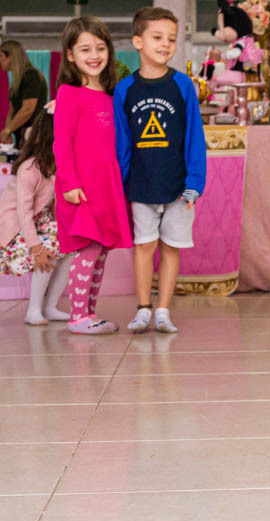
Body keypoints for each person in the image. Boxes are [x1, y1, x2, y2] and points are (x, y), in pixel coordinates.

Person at [115, 7, 206, 333]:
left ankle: (163, 310)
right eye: (157, 37)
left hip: (179, 186)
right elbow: (122, 141)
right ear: (137, 41)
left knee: (170, 248)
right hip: (140, 184)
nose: (165, 44)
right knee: (144, 245)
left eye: (171, 39)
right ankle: (143, 308)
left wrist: (195, 182)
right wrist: (121, 183)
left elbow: (195, 136)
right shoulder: (124, 89)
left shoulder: (182, 85)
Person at [54, 17, 133, 335]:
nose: (94, 55)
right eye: (85, 49)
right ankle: (77, 316)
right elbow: (62, 144)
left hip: (106, 187)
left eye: (101, 48)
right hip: (81, 187)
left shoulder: (112, 96)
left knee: (101, 250)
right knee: (88, 248)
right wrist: (71, 183)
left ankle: (90, 313)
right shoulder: (69, 94)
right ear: (70, 55)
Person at [0, 107, 71, 325]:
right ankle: (34, 310)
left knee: (70, 246)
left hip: (36, 225)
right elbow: (23, 211)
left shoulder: (55, 167)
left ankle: (49, 307)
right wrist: (36, 247)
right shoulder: (30, 169)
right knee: (49, 247)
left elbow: (54, 206)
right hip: (12, 232)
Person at [0, 40, 48, 148]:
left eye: (1, 56)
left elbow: (28, 109)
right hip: (21, 137)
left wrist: (7, 130)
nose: (0, 60)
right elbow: (12, 110)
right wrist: (8, 132)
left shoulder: (31, 76)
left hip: (32, 135)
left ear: (11, 56)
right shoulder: (16, 82)